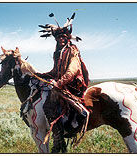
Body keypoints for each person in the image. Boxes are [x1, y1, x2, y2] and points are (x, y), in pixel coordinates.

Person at [37, 13, 90, 153]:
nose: (61, 39)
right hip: (64, 83)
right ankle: (59, 134)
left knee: (48, 105)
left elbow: (72, 71)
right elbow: (55, 71)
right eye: (58, 37)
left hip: (73, 83)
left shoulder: (72, 50)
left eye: (63, 37)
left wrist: (58, 83)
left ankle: (58, 138)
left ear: (67, 38)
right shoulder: (58, 53)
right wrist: (40, 75)